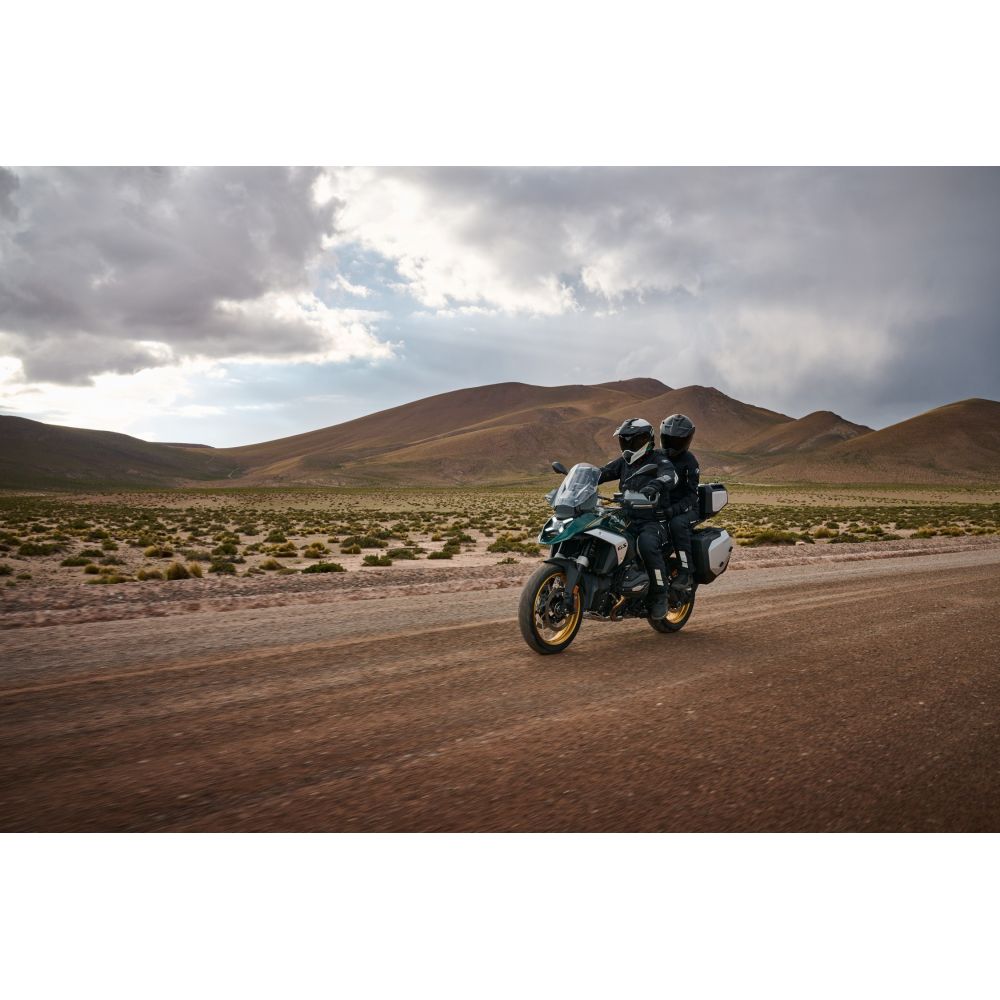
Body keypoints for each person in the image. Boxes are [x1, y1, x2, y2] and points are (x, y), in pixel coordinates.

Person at [597, 418, 678, 619]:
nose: (628, 445)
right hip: (627, 516)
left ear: (646, 440)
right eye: (624, 440)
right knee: (602, 535)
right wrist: (583, 479)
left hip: (653, 520)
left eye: (633, 441)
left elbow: (671, 476)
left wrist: (655, 485)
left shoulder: (659, 460)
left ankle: (660, 596)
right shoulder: (624, 462)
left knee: (646, 545)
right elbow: (602, 473)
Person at [659, 413, 700, 597]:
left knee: (677, 524)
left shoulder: (690, 461)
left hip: (687, 509)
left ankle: (686, 572)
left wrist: (673, 510)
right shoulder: (656, 456)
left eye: (677, 441)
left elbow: (692, 495)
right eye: (668, 440)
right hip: (662, 507)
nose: (672, 445)